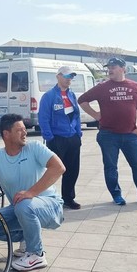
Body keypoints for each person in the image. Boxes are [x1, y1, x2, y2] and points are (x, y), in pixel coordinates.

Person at [0, 114, 65, 271]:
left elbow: (58, 167)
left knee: (24, 205)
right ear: (6, 134)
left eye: (25, 129)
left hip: (51, 206)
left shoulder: (35, 147)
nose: (25, 132)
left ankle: (36, 254)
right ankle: (28, 237)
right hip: (20, 208)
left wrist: (31, 192)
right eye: (20, 130)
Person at [78, 57, 137, 206]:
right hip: (108, 135)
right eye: (109, 67)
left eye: (113, 67)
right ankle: (116, 195)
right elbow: (82, 100)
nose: (110, 70)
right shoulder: (102, 87)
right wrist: (95, 115)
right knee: (111, 167)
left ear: (123, 68)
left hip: (130, 135)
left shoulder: (136, 86)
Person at [38, 65, 82, 209]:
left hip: (72, 138)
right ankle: (45, 198)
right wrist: (50, 137)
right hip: (57, 139)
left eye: (71, 77)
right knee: (53, 171)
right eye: (66, 76)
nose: (69, 79)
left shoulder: (72, 95)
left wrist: (78, 133)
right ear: (58, 76)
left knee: (73, 170)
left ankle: (68, 198)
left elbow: (76, 115)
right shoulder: (49, 96)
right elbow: (43, 118)